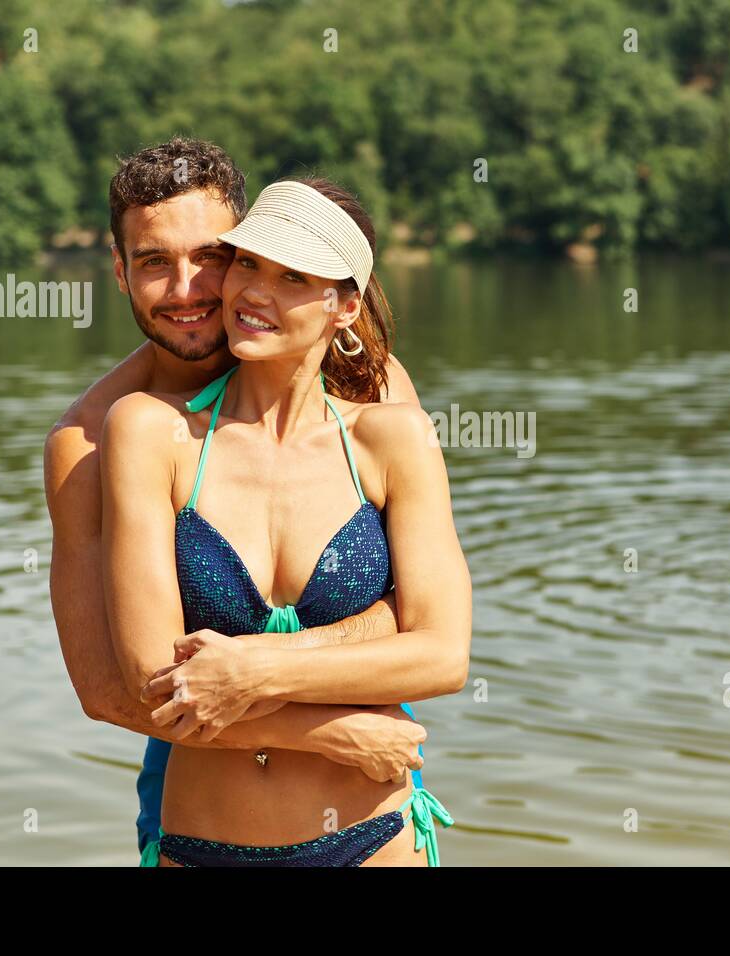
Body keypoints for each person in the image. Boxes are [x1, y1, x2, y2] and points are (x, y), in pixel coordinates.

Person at [44, 138, 438, 864]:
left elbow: (423, 609)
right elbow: (107, 688)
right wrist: (324, 731)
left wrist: (255, 668)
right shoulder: (95, 440)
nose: (190, 289)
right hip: (208, 793)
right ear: (121, 273)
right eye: (156, 262)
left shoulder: (364, 385)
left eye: (213, 256)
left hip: (372, 799)